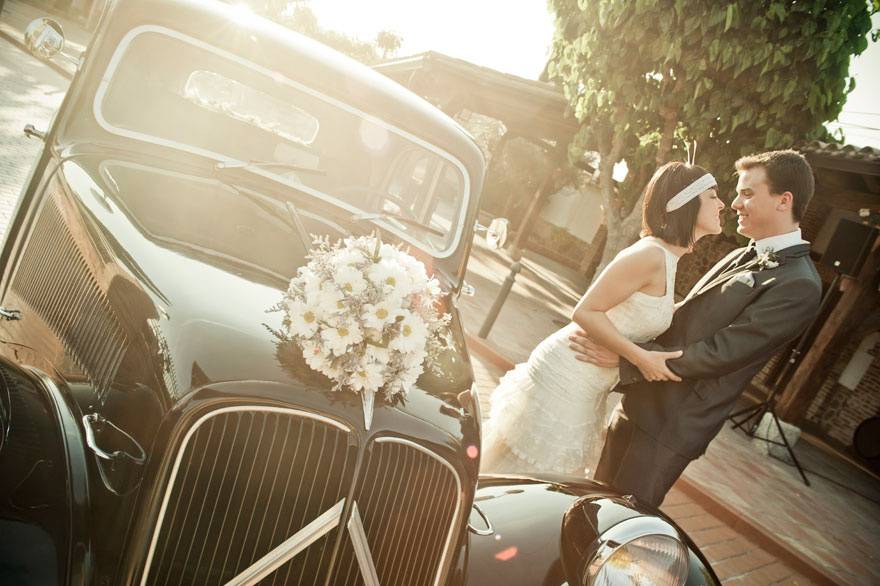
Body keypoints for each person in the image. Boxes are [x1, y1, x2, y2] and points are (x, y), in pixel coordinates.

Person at [571, 149, 822, 507]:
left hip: (672, 424)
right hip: (641, 398)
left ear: (784, 201)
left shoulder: (801, 284)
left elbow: (722, 352)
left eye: (748, 193)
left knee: (615, 521)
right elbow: (685, 315)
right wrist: (626, 341)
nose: (734, 203)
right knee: (589, 500)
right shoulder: (740, 254)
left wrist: (628, 359)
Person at [480, 161, 725, 476]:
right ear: (686, 204)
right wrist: (640, 358)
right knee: (521, 476)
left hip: (588, 384)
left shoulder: (669, 259)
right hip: (566, 375)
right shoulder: (650, 255)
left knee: (533, 480)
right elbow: (584, 311)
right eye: (713, 196)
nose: (722, 205)